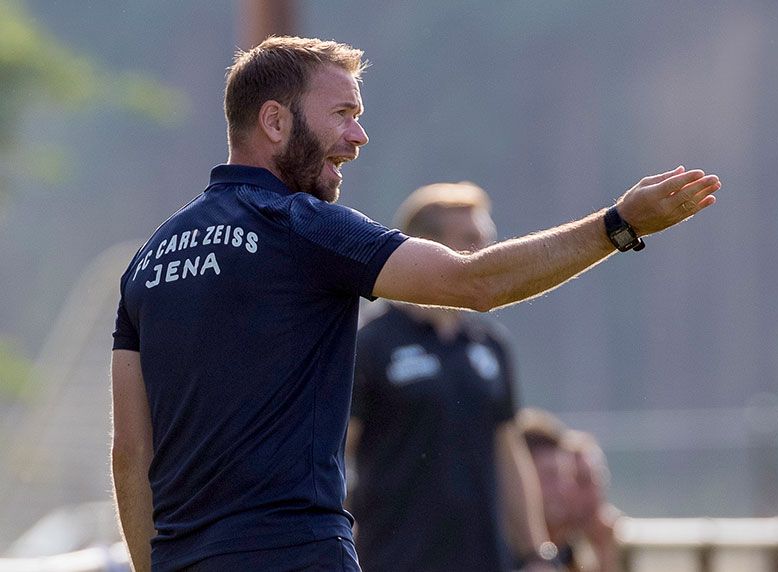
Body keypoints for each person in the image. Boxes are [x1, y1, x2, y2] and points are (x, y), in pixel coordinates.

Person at [110, 35, 721, 572]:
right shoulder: (303, 224)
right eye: (343, 113)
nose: (358, 135)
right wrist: (617, 224)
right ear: (274, 121)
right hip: (297, 555)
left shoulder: (149, 261)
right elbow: (476, 283)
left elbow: (131, 455)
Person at [346, 182, 555, 572]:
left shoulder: (490, 345)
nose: (487, 254)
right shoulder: (370, 344)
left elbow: (509, 454)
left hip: (484, 560)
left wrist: (534, 553)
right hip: (394, 560)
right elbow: (338, 456)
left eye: (489, 240)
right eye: (471, 241)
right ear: (427, 247)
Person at [518, 409, 622, 572]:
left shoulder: (564, 548)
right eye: (549, 476)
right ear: (520, 480)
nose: (564, 488)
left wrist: (603, 551)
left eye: (565, 476)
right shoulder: (504, 550)